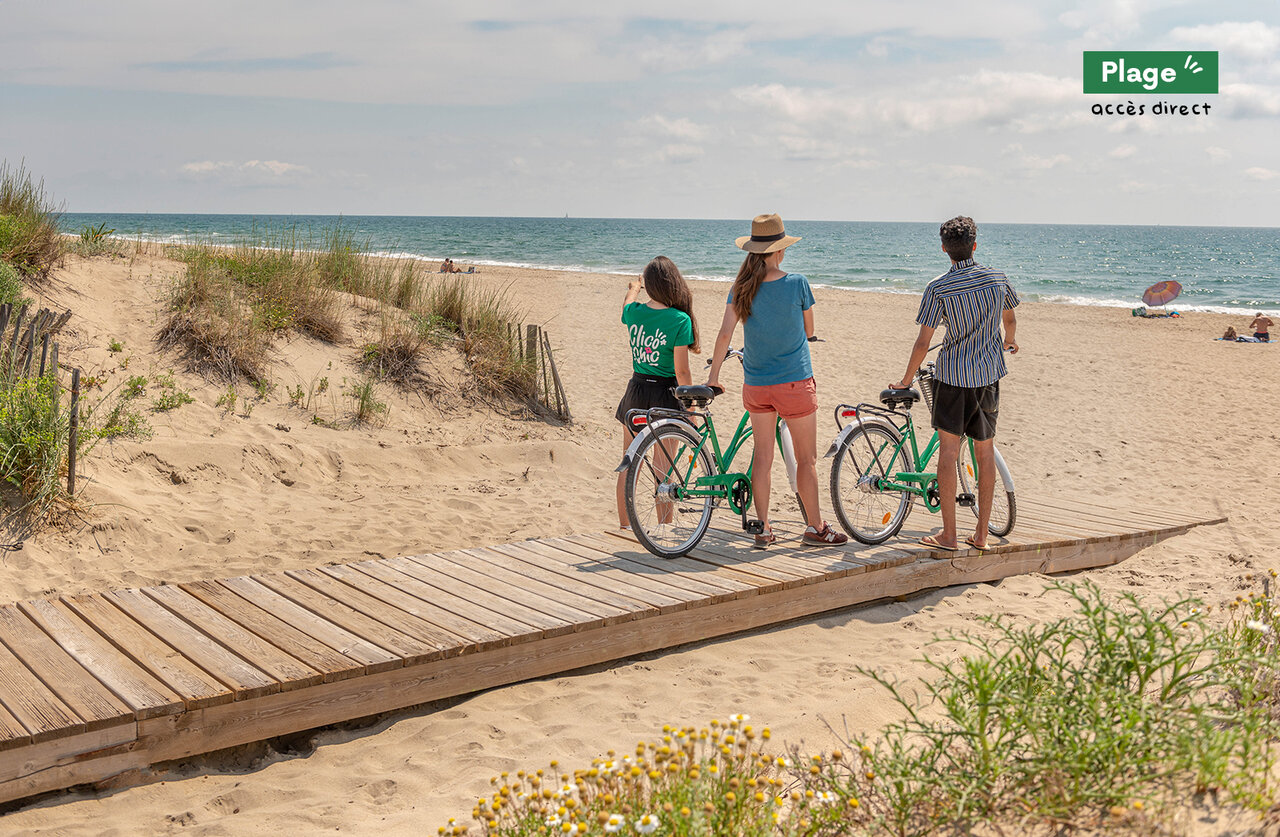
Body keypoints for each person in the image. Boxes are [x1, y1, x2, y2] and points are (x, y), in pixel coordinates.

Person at [705, 214, 847, 548]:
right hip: (794, 384)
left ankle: (764, 528)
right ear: (779, 251)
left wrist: (713, 377)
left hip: (756, 385)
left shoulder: (741, 288)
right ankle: (815, 528)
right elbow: (810, 331)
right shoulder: (797, 283)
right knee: (806, 460)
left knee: (763, 457)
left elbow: (725, 333)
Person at [890, 216, 1019, 551]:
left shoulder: (939, 288)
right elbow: (1010, 317)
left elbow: (923, 342)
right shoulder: (997, 279)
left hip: (953, 377)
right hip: (988, 375)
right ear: (975, 245)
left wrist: (905, 380)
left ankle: (948, 535)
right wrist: (1010, 340)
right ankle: (980, 536)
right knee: (984, 452)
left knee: (948, 451)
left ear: (944, 249)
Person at [615, 256, 701, 529]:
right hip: (666, 394)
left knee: (629, 463)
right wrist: (691, 409)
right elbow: (682, 372)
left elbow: (626, 305)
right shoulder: (679, 320)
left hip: (637, 391)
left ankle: (626, 527)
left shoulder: (636, 313)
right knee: (663, 468)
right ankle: (663, 527)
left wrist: (634, 287)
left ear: (650, 285)